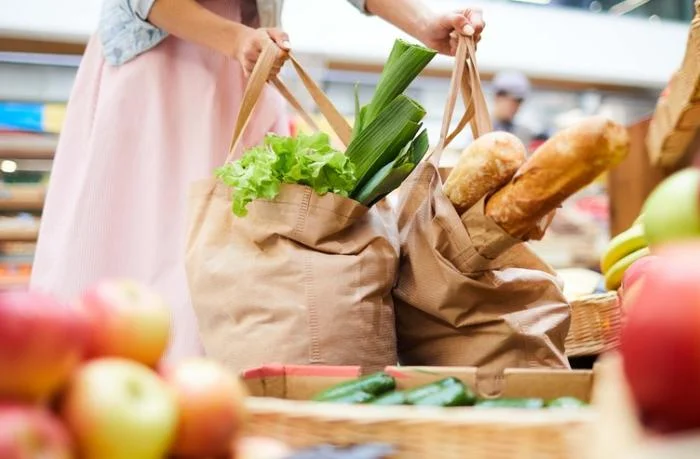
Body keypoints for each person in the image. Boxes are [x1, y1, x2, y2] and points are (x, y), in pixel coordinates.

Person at [31, 0, 485, 363]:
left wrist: (425, 22)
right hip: (162, 64)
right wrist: (235, 39)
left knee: (239, 254)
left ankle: (211, 400)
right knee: (140, 243)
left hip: (249, 61)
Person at [491, 70, 533, 145]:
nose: (516, 107)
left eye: (519, 102)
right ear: (498, 97)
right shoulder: (474, 129)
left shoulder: (523, 134)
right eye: (513, 101)